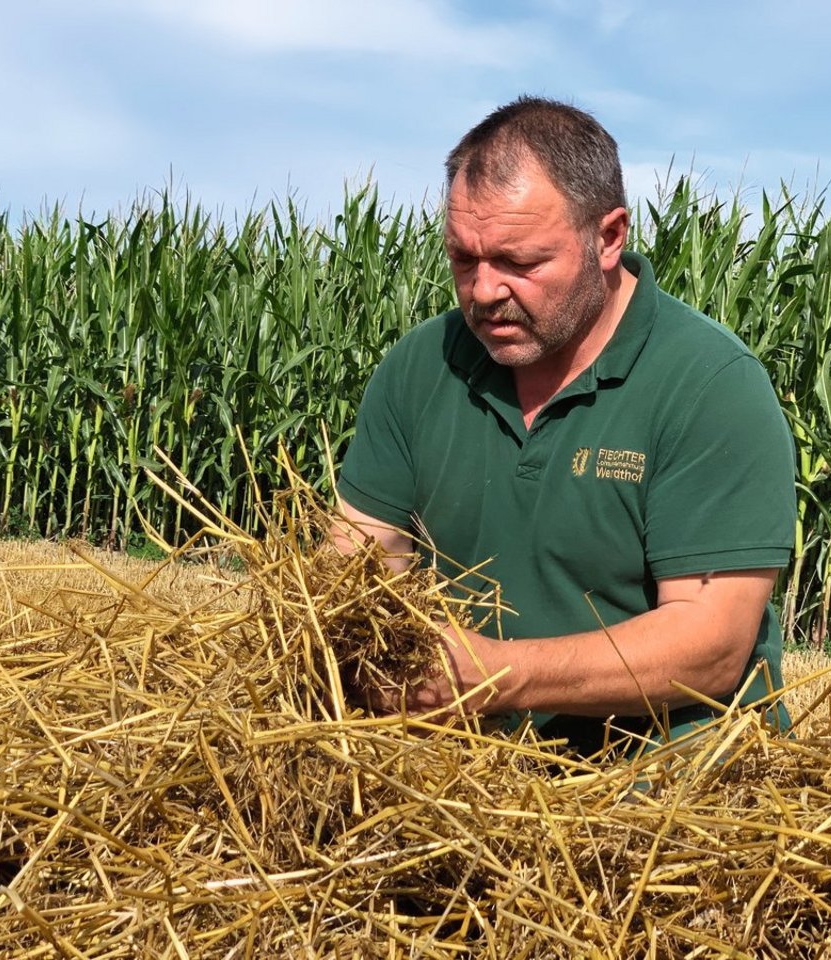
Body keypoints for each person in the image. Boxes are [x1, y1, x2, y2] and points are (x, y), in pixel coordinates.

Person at [332, 96, 796, 755]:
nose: (484, 291)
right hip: (461, 767)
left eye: (520, 262)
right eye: (464, 258)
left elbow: (710, 647)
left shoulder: (709, 384)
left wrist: (496, 675)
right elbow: (355, 565)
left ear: (608, 238)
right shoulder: (421, 367)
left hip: (665, 776)